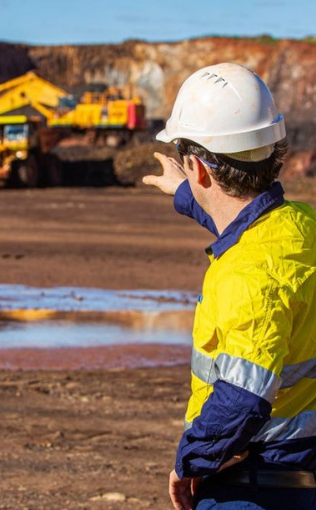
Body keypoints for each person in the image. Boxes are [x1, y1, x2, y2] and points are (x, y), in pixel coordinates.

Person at [144, 62, 316, 509]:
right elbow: (241, 220)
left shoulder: (247, 272)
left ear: (198, 168)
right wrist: (185, 193)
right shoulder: (300, 226)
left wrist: (190, 462)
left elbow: (243, 398)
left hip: (255, 482)